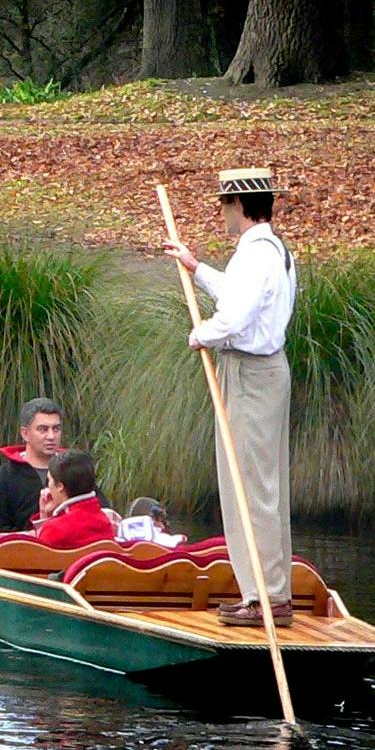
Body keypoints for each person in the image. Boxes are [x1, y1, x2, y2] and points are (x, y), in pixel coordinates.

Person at [160, 165, 296, 628]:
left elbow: (234, 319)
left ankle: (265, 598)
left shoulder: (255, 255)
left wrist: (200, 335)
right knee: (264, 484)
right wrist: (197, 270)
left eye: (224, 204)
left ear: (239, 205)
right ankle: (270, 593)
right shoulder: (269, 250)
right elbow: (242, 299)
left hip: (250, 374)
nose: (221, 213)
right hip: (267, 373)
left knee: (248, 488)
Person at [0, 395, 65, 536]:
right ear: (25, 434)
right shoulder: (5, 477)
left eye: (56, 429)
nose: (51, 436)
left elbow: (99, 511)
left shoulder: (75, 470)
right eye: (43, 429)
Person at [30, 451, 114, 550]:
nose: (48, 486)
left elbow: (38, 559)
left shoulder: (54, 530)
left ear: (60, 486)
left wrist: (45, 520)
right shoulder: (106, 523)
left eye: (49, 480)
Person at [116, 496, 186, 550]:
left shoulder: (121, 537)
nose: (162, 526)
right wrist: (178, 538)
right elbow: (170, 542)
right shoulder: (155, 538)